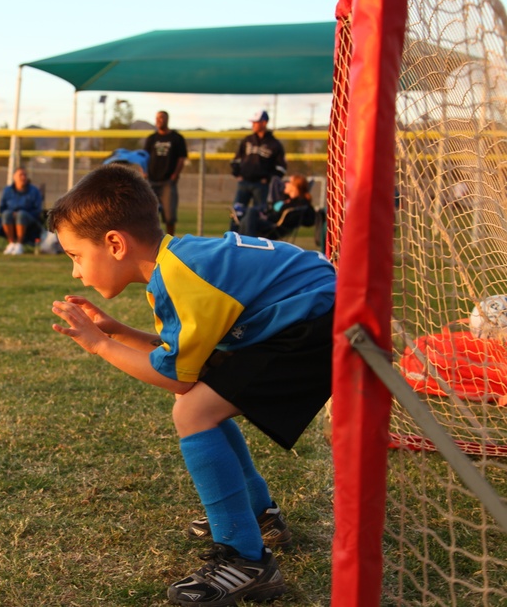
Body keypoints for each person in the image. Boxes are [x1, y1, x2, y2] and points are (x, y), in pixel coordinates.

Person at [48, 164, 335, 606]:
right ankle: (260, 517)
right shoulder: (179, 262)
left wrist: (97, 344)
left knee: (192, 410)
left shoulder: (182, 275)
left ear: (114, 243)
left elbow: (174, 378)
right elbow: (184, 361)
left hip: (317, 324)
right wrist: (117, 331)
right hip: (315, 314)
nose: (75, 272)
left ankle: (245, 560)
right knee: (199, 403)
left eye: (75, 255)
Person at [230, 110, 287, 223]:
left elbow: (281, 167)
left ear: (264, 123)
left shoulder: (274, 144)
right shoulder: (247, 140)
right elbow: (236, 159)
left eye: (256, 122)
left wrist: (268, 179)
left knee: (259, 215)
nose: (253, 125)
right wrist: (237, 173)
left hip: (261, 185)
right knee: (237, 214)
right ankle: (233, 237)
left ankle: (256, 239)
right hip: (244, 183)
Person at [144, 110, 188, 236]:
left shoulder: (176, 138)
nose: (159, 120)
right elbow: (144, 156)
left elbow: (181, 158)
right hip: (151, 181)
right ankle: (151, 241)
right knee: (149, 215)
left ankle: (170, 241)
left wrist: (175, 175)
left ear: (167, 119)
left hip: (167, 182)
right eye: (157, 118)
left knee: (169, 216)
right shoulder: (152, 138)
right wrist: (144, 172)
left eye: (162, 118)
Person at [238, 174, 315, 239]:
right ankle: (245, 243)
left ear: (295, 186)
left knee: (250, 213)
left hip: (276, 227)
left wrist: (268, 216)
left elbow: (308, 220)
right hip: (269, 221)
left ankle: (247, 244)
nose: (286, 184)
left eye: (289, 182)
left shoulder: (300, 203)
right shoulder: (287, 198)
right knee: (249, 215)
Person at [0, 167, 44, 255]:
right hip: (10, 216)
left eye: (25, 175)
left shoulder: (34, 191)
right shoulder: (7, 190)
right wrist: (12, 213)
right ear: (14, 177)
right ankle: (11, 243)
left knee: (21, 215)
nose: (23, 177)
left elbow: (37, 209)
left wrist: (22, 213)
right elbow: (2, 207)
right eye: (20, 175)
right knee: (6, 214)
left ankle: (19, 244)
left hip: (29, 218)